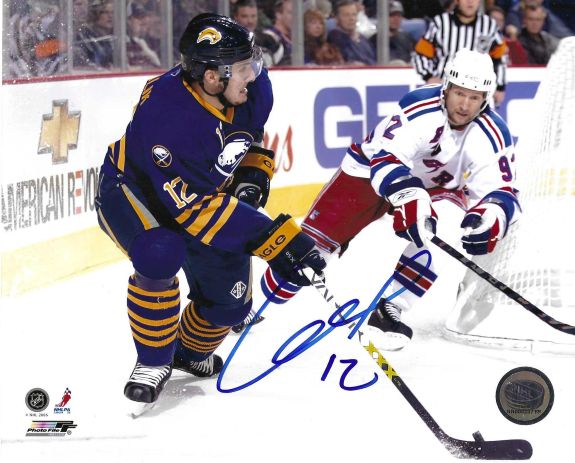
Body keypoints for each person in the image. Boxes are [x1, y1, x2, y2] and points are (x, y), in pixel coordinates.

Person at [95, 13, 326, 404]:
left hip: (198, 194)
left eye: (252, 62)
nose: (254, 74)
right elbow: (193, 210)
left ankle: (187, 353)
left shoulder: (252, 87)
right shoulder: (169, 116)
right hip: (135, 192)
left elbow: (249, 133)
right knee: (160, 252)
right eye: (243, 68)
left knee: (231, 304)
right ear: (212, 77)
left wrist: (253, 169)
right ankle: (154, 360)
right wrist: (276, 240)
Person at [261, 48, 519, 350]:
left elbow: (502, 191)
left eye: (474, 97)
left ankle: (390, 308)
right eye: (460, 93)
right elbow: (386, 160)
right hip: (367, 173)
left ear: (485, 99)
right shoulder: (420, 108)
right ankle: (251, 305)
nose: (464, 105)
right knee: (307, 256)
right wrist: (410, 196)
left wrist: (492, 216)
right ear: (446, 87)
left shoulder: (493, 133)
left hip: (434, 187)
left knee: (447, 222)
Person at [413, 0, 508, 107]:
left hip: (478, 91)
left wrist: (500, 86)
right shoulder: (440, 23)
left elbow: (500, 58)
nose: (470, 2)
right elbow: (421, 53)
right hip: (443, 90)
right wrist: (428, 76)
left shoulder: (489, 26)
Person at [327, 0, 376, 65]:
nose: (351, 19)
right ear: (336, 19)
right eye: (346, 15)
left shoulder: (363, 39)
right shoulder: (335, 38)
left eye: (354, 14)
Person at [369, 1, 416, 65]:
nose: (396, 19)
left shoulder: (407, 37)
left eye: (399, 16)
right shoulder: (374, 41)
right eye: (392, 15)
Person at [261, 0, 293, 66]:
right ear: (278, 14)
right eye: (291, 13)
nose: (295, 17)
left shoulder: (295, 37)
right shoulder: (268, 38)